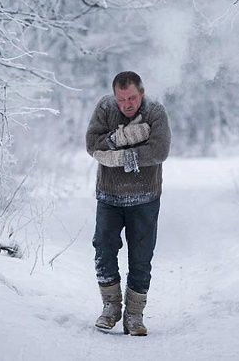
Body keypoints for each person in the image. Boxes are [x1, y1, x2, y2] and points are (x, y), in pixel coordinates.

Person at [85, 71, 171, 336]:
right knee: (104, 249)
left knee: (141, 258)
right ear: (115, 96)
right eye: (121, 99)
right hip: (109, 197)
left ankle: (134, 315)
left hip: (145, 197)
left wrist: (120, 157)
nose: (127, 104)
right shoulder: (105, 107)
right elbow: (92, 144)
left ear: (141, 93)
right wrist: (121, 137)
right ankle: (111, 307)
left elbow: (159, 150)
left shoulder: (155, 111)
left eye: (132, 97)